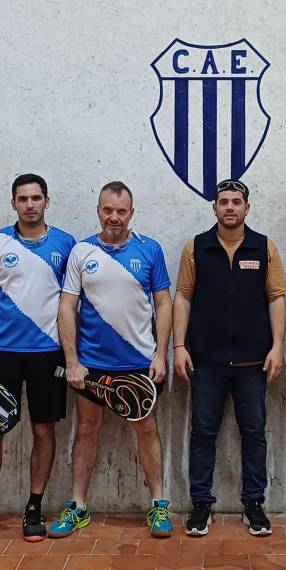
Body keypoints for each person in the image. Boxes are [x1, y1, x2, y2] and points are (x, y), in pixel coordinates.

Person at [0, 174, 76, 544]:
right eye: (23, 199)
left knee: (43, 430)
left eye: (36, 198)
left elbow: (72, 304)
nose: (30, 205)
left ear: (47, 201)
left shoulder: (66, 244)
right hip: (2, 354)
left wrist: (74, 355)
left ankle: (34, 508)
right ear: (13, 204)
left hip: (49, 354)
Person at [48, 181, 174, 538]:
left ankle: (159, 505)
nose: (114, 217)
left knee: (147, 429)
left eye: (121, 211)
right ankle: (78, 505)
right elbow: (67, 307)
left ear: (131, 213)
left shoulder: (150, 249)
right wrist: (72, 360)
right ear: (98, 210)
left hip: (139, 362)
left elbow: (164, 303)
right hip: (91, 365)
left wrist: (161, 354)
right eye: (108, 210)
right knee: (86, 429)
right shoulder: (81, 251)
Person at [172, 179, 286, 537]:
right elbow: (183, 297)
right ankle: (201, 505)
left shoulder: (264, 247)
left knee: (254, 433)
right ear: (214, 207)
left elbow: (276, 298)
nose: (230, 208)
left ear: (247, 207)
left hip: (254, 362)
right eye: (223, 202)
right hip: (206, 361)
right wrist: (179, 346)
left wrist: (278, 347)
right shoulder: (196, 247)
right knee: (203, 434)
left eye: (236, 202)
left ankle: (253, 504)